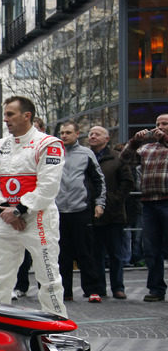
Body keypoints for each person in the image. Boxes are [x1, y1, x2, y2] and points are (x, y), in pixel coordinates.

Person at [0, 96, 67, 317]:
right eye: (5, 114)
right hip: (4, 218)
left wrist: (20, 210)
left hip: (37, 217)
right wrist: (3, 209)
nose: (6, 119)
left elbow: (48, 186)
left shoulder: (49, 144)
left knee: (48, 275)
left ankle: (57, 326)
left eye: (10, 114)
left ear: (27, 115)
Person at [56, 122, 106, 303]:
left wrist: (100, 203)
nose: (64, 136)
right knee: (62, 254)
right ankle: (65, 291)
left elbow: (99, 180)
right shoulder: (55, 153)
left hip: (81, 209)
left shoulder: (86, 153)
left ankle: (93, 290)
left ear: (77, 133)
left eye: (68, 132)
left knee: (86, 251)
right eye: (62, 133)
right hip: (59, 210)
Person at [120, 113, 168, 302]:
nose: (160, 126)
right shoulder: (147, 148)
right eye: (157, 123)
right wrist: (134, 141)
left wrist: (163, 138)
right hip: (149, 203)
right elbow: (124, 159)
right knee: (151, 248)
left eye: (165, 123)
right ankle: (156, 289)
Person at [88, 125, 134, 299]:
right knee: (96, 254)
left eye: (97, 134)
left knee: (115, 253)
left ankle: (117, 287)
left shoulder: (117, 158)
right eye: (91, 133)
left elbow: (127, 182)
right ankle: (99, 288)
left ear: (106, 139)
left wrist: (114, 199)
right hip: (92, 213)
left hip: (113, 214)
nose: (92, 136)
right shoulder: (87, 158)